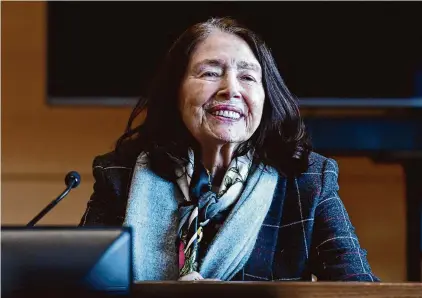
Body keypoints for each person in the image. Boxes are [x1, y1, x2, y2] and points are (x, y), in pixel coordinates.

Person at [79, 17, 379, 282]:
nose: (231, 89)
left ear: (265, 97)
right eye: (210, 73)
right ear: (176, 90)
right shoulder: (120, 175)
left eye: (248, 77)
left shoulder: (307, 179)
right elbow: (77, 287)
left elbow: (360, 290)